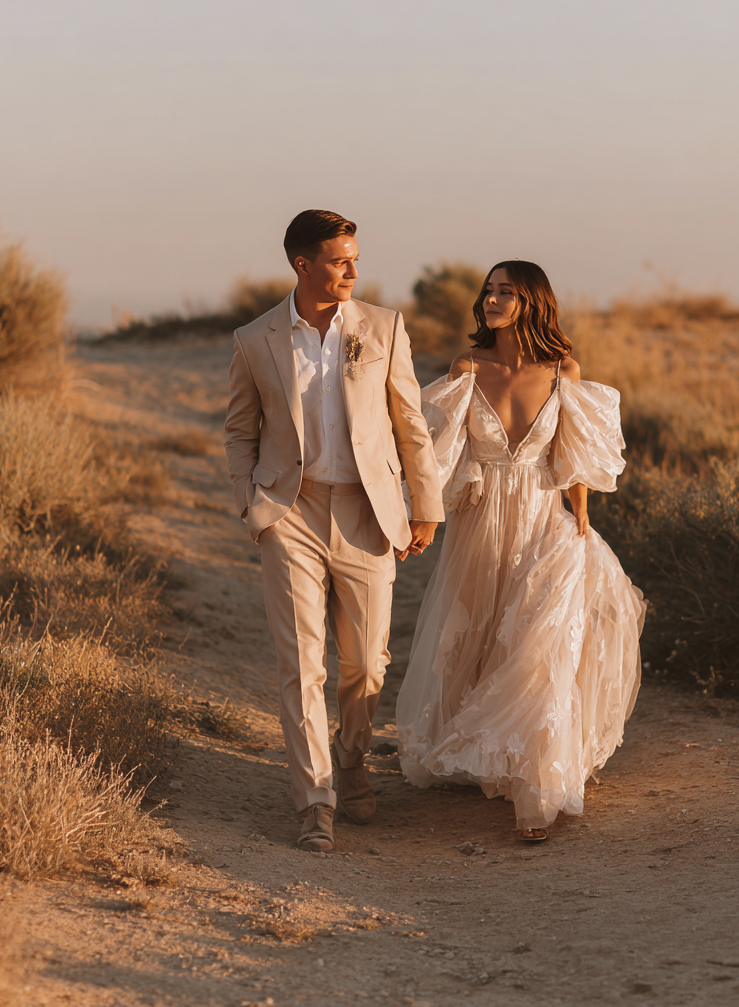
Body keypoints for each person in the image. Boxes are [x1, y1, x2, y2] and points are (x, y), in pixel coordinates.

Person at [396, 260, 645, 841]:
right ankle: (493, 760)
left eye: (505, 291)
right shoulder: (467, 368)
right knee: (482, 636)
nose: (491, 299)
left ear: (531, 300)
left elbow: (575, 454)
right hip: (482, 523)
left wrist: (581, 515)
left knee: (539, 647)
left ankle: (538, 790)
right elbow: (440, 456)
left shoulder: (564, 370)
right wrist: (428, 514)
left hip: (544, 518)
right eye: (488, 290)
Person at [224, 209, 443, 852]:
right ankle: (314, 800)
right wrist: (250, 502)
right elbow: (240, 431)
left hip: (366, 510)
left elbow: (410, 421)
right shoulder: (255, 338)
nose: (353, 269)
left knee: (367, 662)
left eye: (354, 257)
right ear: (303, 264)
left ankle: (352, 757)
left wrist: (424, 504)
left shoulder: (383, 326)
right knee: (300, 662)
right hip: (289, 511)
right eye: (340, 259)